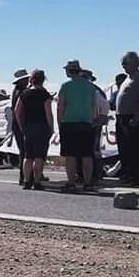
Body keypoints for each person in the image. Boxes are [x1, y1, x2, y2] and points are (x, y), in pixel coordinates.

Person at [57, 60, 96, 192]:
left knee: (70, 155)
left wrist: (59, 122)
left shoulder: (66, 86)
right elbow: (93, 106)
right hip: (86, 123)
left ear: (68, 71)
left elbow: (60, 106)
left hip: (69, 123)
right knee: (87, 155)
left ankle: (71, 182)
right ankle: (88, 182)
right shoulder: (90, 86)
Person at [116, 52, 139, 187]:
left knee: (135, 147)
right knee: (125, 148)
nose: (123, 66)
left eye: (126, 63)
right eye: (122, 64)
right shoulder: (128, 78)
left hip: (133, 116)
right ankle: (129, 174)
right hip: (123, 116)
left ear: (135, 63)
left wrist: (137, 116)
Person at [15, 70, 53, 190]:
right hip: (41, 126)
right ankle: (37, 181)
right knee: (39, 156)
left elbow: (17, 111)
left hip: (28, 126)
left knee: (28, 155)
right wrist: (51, 126)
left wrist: (22, 125)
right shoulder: (44, 94)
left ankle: (27, 181)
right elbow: (48, 112)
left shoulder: (24, 93)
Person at [82, 69, 110, 183]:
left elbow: (104, 106)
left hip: (93, 123)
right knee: (88, 149)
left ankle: (96, 173)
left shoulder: (95, 91)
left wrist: (99, 120)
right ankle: (87, 173)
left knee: (93, 150)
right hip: (85, 122)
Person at [11, 69, 30, 184]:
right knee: (26, 151)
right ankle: (24, 175)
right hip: (22, 123)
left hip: (17, 123)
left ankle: (24, 175)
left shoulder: (16, 91)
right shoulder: (22, 92)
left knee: (24, 151)